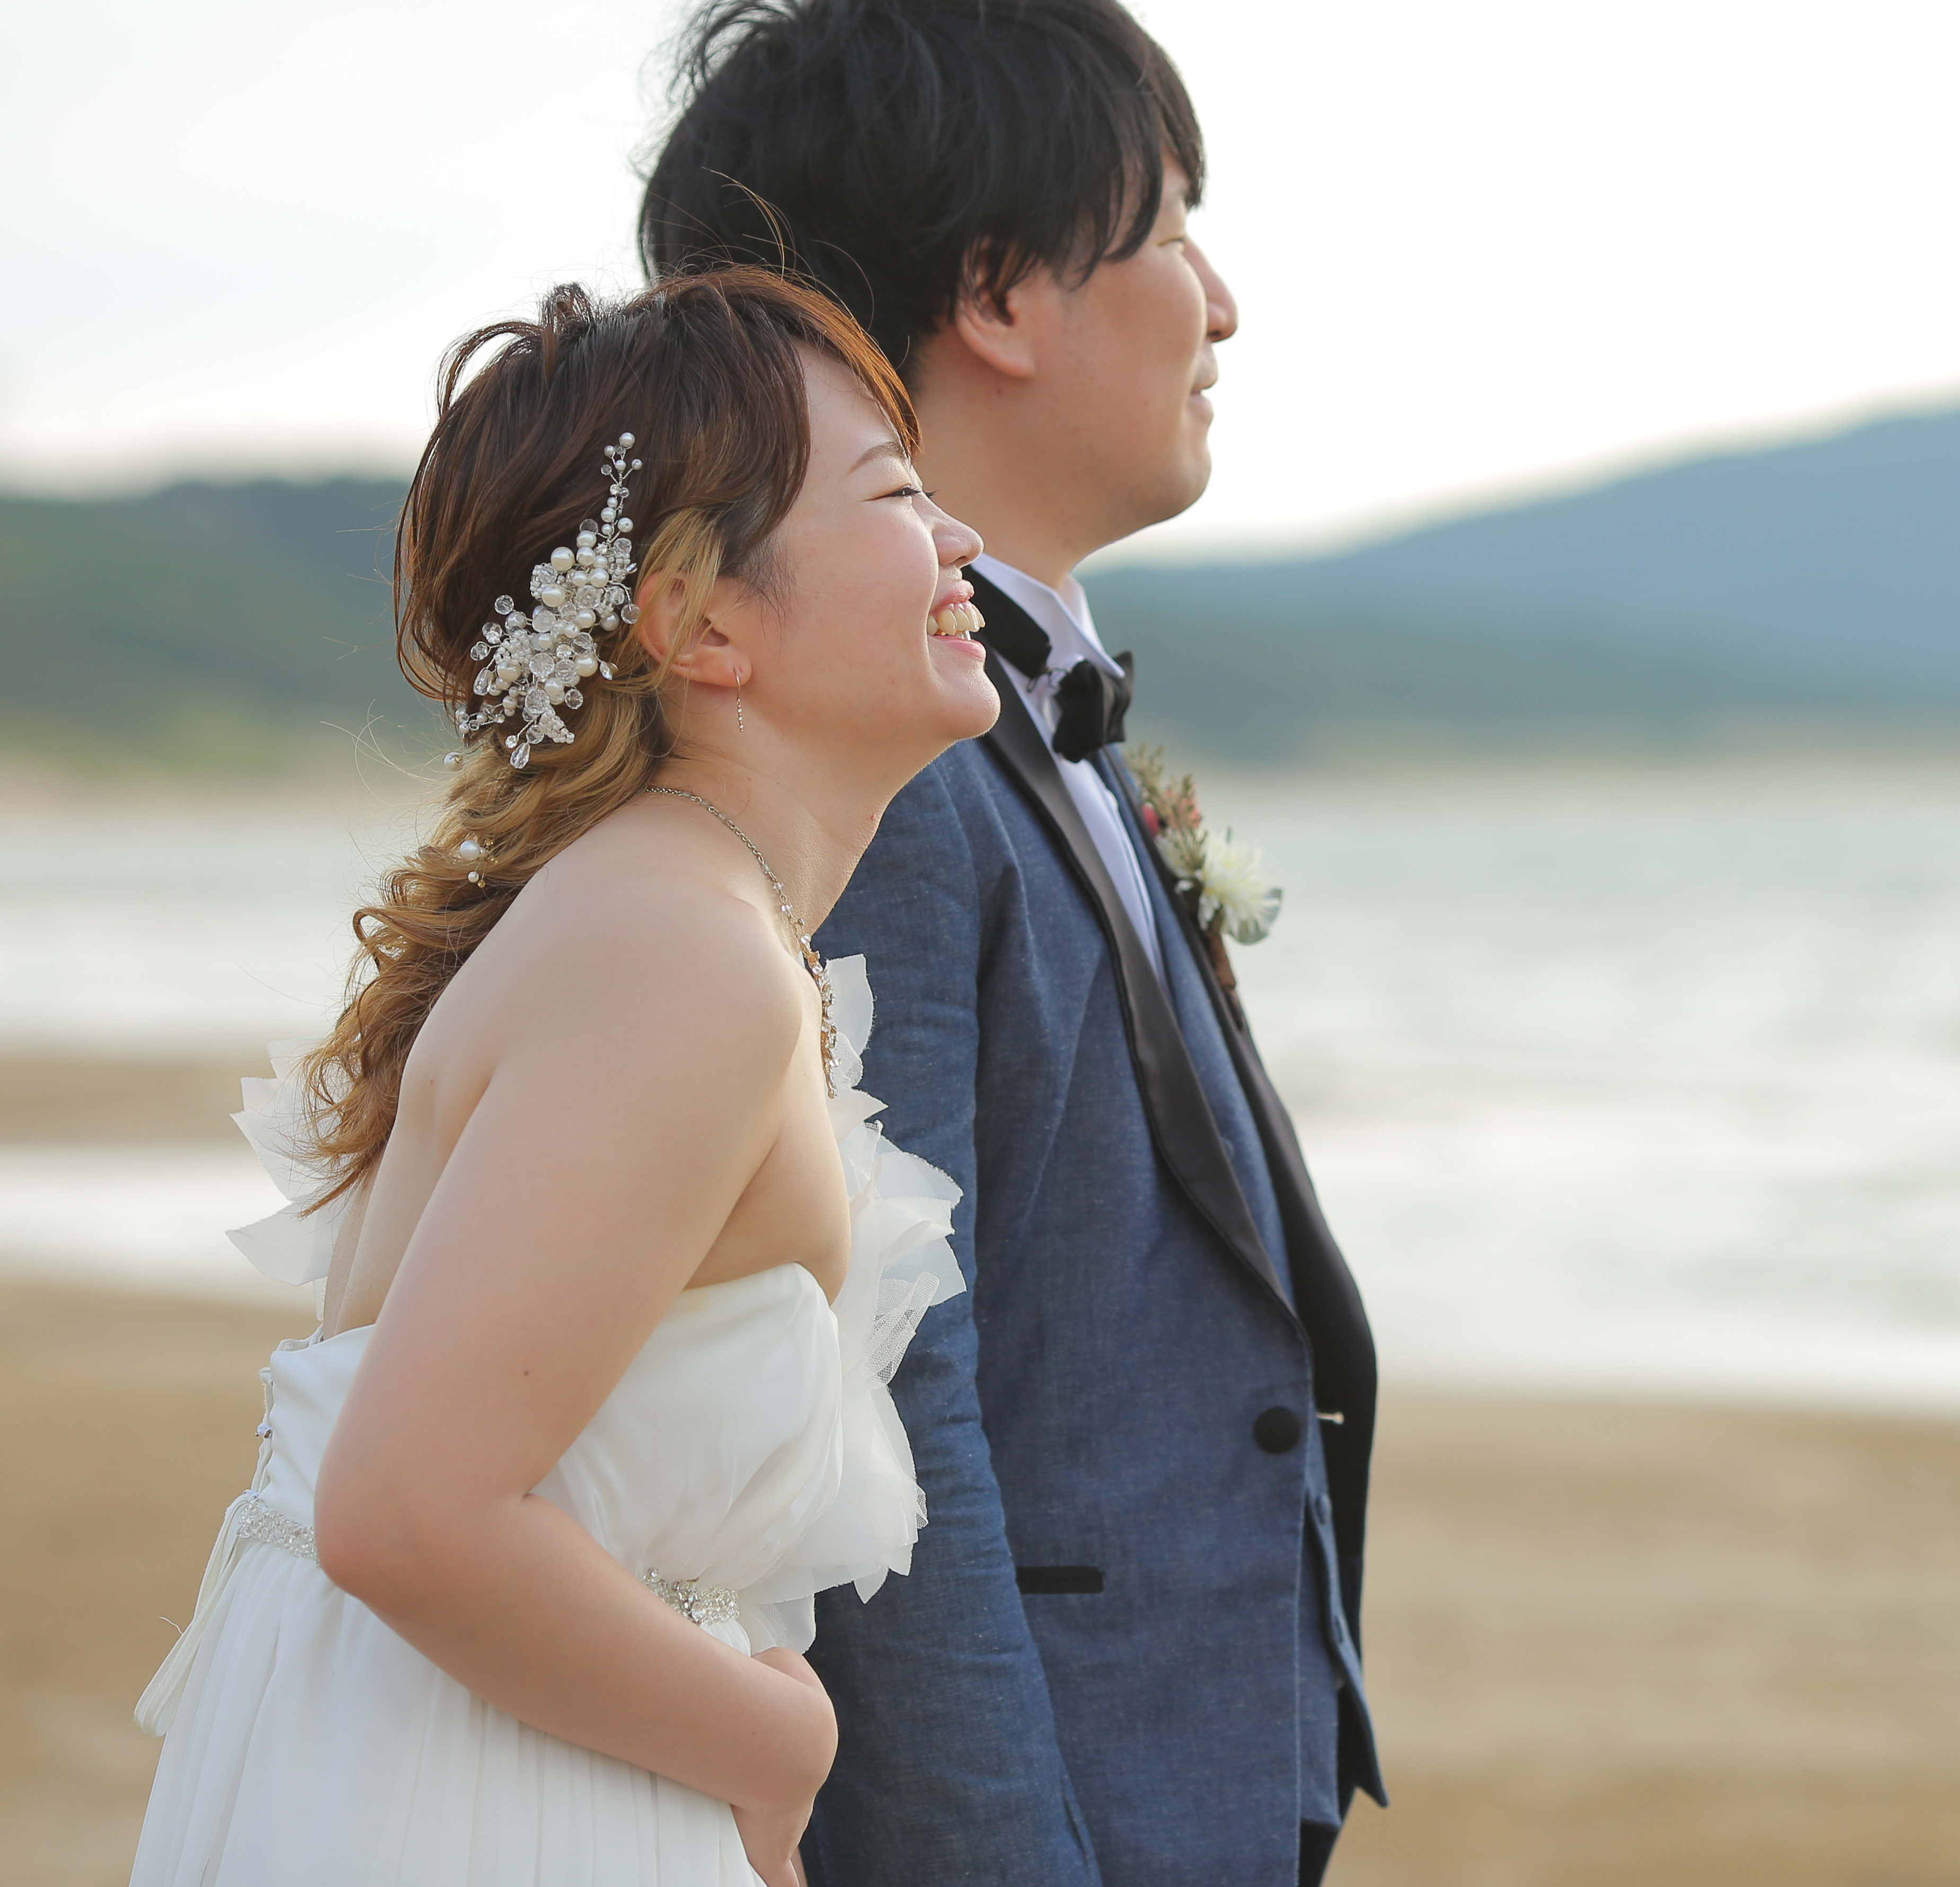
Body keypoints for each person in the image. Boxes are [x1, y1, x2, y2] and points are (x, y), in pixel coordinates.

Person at [128, 267, 1000, 1887]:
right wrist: (780, 1744)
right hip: (487, 1797)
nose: (960, 539)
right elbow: (407, 1511)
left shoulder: (666, 911)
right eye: (896, 493)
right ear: (700, 621)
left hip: (473, 1760)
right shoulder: (681, 950)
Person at [641, 5, 1383, 1883]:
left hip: (1196, 1759)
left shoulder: (1010, 715)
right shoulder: (881, 767)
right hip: (1058, 1796)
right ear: (996, 294)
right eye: (1174, 230)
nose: (1222, 305)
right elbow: (884, 1382)